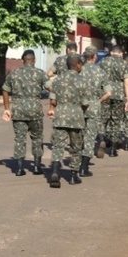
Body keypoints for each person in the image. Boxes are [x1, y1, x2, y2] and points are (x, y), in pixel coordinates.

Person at [2, 49, 50, 176]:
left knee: (19, 139)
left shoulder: (14, 73)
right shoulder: (40, 73)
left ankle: (19, 168)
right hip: (35, 110)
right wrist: (53, 106)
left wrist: (7, 108)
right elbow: (51, 88)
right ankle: (37, 166)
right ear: (34, 60)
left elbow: (5, 90)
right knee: (37, 138)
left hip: (18, 110)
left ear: (23, 61)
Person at [47, 55, 89, 188]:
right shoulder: (82, 80)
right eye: (81, 64)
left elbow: (53, 100)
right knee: (76, 147)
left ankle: (54, 172)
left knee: (58, 146)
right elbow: (85, 103)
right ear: (77, 65)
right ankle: (73, 176)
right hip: (76, 116)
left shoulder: (58, 80)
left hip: (60, 116)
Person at [80, 46, 112, 175]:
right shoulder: (101, 72)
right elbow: (109, 93)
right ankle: (84, 167)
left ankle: (75, 163)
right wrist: (99, 101)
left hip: (79, 107)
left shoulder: (79, 70)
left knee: (79, 135)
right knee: (90, 137)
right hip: (94, 106)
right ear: (95, 57)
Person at [99, 45, 128, 157]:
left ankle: (102, 139)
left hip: (104, 93)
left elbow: (97, 78)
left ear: (111, 52)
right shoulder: (124, 64)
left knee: (103, 119)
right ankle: (113, 149)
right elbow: (127, 83)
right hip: (118, 94)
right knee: (116, 121)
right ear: (121, 53)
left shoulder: (103, 62)